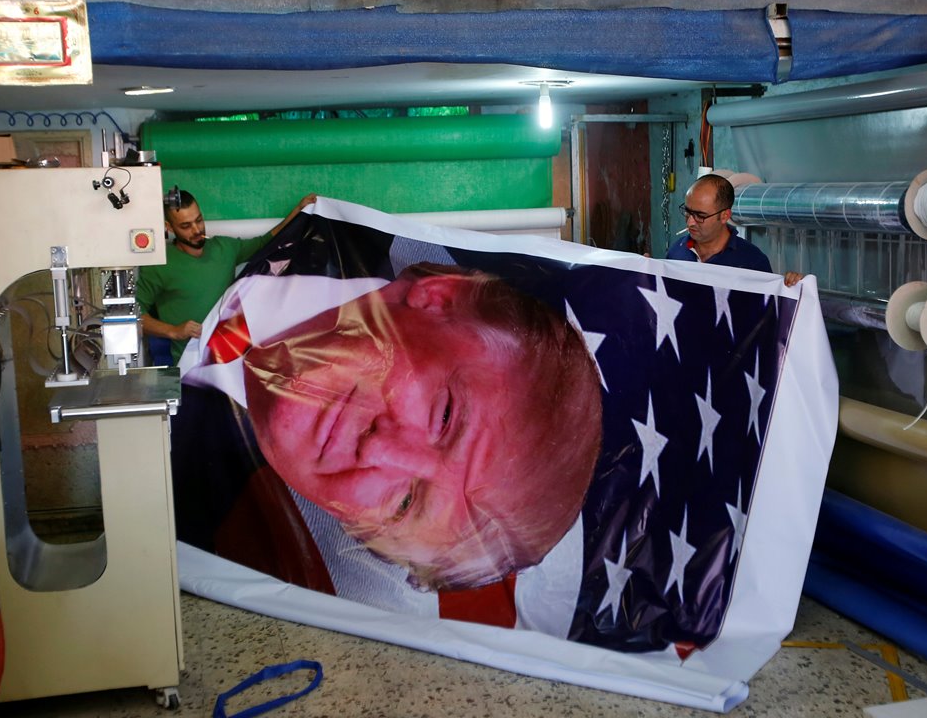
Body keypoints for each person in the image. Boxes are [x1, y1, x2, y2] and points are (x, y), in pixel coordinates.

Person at [186, 262, 604, 591]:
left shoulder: (190, 540)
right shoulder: (315, 217)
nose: (377, 451)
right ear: (438, 298)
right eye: (444, 417)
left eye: (404, 504)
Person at [136, 189, 317, 363]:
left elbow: (265, 243)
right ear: (169, 227)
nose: (196, 230)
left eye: (198, 220)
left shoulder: (224, 248)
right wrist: (173, 331)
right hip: (189, 366)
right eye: (185, 226)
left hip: (229, 361)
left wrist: (298, 212)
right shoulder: (160, 265)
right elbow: (135, 314)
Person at [666, 174, 803, 286]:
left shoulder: (752, 262)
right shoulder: (677, 252)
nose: (690, 222)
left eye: (700, 216)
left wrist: (792, 287)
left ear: (725, 216)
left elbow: (769, 312)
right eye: (687, 212)